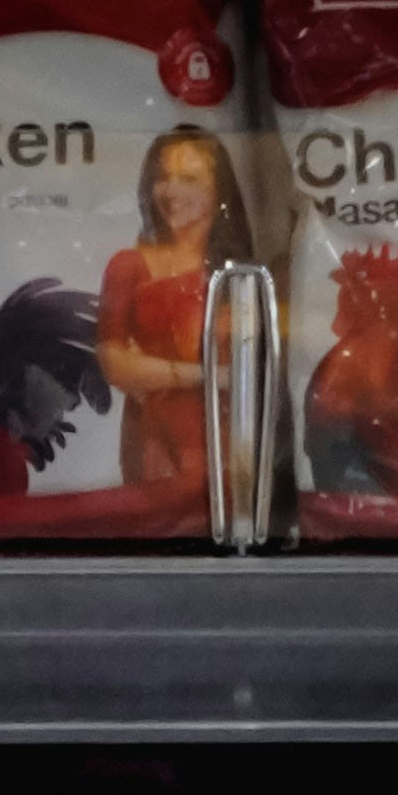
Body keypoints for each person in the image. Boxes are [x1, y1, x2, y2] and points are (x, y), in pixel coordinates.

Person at [97, 120, 255, 506]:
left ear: (220, 192)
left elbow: (260, 365)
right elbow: (114, 363)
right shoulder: (128, 265)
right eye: (163, 178)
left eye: (190, 179)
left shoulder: (242, 269)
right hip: (156, 438)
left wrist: (155, 371)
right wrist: (211, 376)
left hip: (233, 435)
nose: (171, 192)